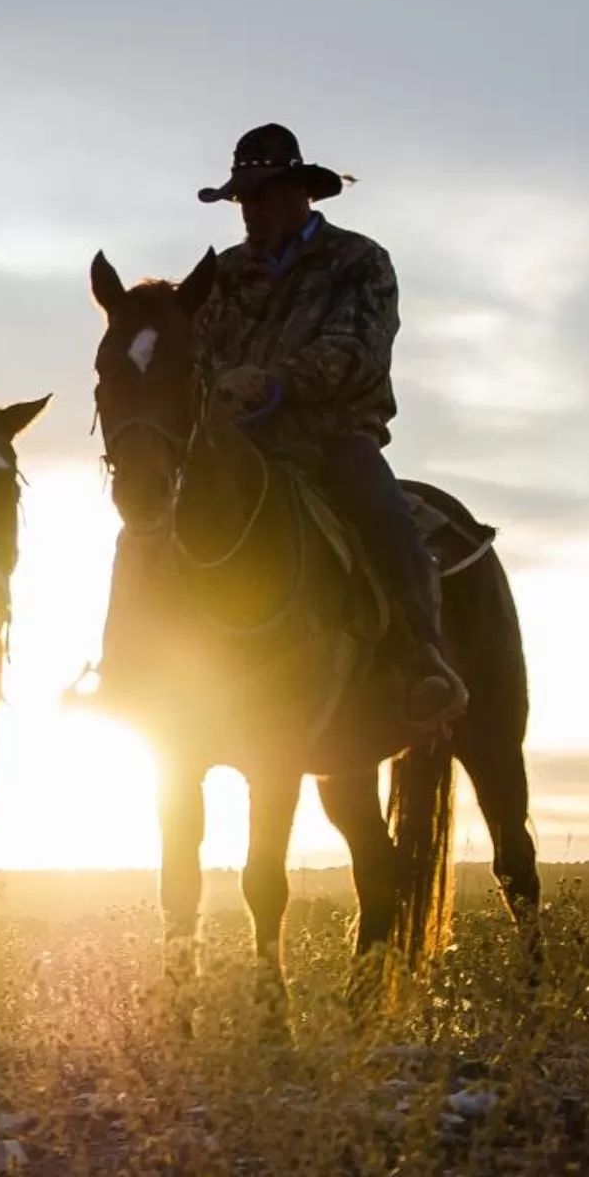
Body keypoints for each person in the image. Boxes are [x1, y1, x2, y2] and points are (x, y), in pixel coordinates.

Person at [189, 122, 467, 728]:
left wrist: (272, 381)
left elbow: (357, 348)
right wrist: (219, 385)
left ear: (298, 193)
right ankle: (129, 662)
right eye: (243, 199)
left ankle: (424, 656)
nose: (250, 211)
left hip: (333, 435)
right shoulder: (226, 274)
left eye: (262, 195)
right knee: (161, 519)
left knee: (381, 510)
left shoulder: (360, 261)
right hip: (241, 441)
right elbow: (200, 350)